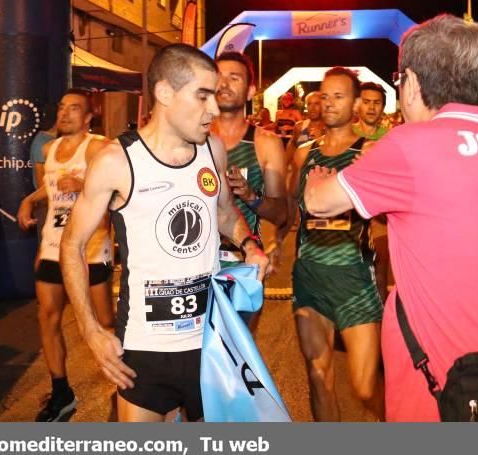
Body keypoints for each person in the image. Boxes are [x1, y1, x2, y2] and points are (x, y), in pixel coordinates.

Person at [303, 14, 478, 422]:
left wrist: (316, 177)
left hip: (441, 388)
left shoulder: (411, 144)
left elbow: (320, 203)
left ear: (410, 82)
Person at [60, 44, 269, 423]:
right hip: (145, 349)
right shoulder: (116, 161)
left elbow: (224, 213)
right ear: (164, 93)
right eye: (203, 96)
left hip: (211, 343)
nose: (214, 109)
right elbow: (72, 244)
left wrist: (249, 245)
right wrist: (90, 330)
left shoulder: (214, 151)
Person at [289, 67, 384, 422]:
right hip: (310, 279)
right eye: (324, 96)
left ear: (356, 103)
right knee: (319, 379)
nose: (328, 103)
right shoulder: (303, 155)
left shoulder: (371, 152)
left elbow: (392, 218)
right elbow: (288, 213)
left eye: (338, 96)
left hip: (354, 281)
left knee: (365, 388)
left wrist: (372, 184)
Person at [17, 89, 114, 422]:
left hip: (91, 247)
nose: (65, 113)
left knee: (105, 324)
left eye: (75, 109)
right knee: (48, 316)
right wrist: (30, 199)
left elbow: (115, 187)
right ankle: (61, 393)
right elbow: (52, 185)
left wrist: (85, 187)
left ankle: (123, 388)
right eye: (61, 107)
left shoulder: (99, 147)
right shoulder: (50, 149)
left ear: (88, 117)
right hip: (54, 245)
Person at [212, 51, 287, 259]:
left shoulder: (266, 143)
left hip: (244, 263)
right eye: (218, 77)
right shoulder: (192, 138)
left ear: (250, 91)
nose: (224, 84)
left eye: (234, 78)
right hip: (197, 266)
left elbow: (280, 215)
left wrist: (250, 196)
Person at [352, 81, 392, 301]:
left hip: (381, 219)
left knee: (380, 271)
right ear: (358, 104)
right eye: (366, 102)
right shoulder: (346, 136)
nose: (371, 107)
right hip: (350, 217)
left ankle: (381, 325)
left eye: (377, 103)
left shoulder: (392, 138)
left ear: (383, 107)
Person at [285, 91, 326, 163]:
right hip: (300, 172)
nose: (313, 108)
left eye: (317, 104)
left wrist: (321, 140)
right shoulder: (299, 127)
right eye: (309, 104)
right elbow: (292, 147)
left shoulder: (330, 128)